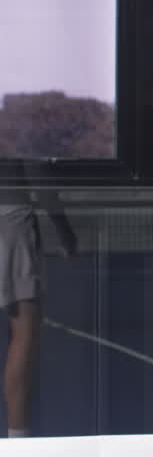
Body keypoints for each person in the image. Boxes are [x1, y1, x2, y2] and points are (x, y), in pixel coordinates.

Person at [0, 163, 76, 439]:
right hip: (9, 215)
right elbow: (37, 171)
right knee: (25, 333)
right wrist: (63, 229)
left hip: (10, 214)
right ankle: (18, 438)